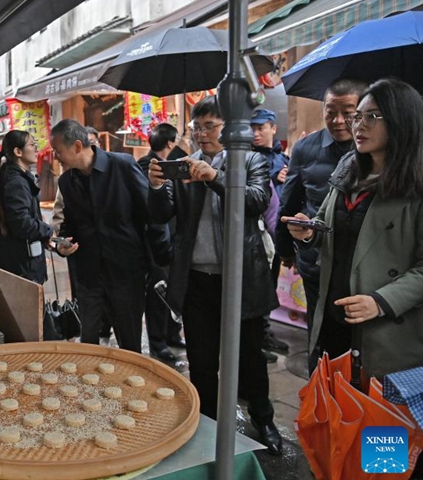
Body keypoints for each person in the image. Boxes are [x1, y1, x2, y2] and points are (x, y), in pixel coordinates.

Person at [147, 96, 282, 455]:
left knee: (250, 358)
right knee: (202, 361)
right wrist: (158, 185)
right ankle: (205, 422)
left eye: (211, 126)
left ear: (231, 128)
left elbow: (255, 201)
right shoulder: (184, 166)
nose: (202, 134)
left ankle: (264, 419)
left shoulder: (251, 160)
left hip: (241, 281)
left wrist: (216, 177)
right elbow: (161, 215)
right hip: (196, 281)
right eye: (197, 127)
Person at [282, 78, 423, 381]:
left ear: (401, 120)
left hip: (385, 326)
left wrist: (381, 302)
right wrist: (309, 232)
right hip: (334, 314)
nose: (357, 124)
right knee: (334, 409)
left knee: (378, 423)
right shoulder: (349, 168)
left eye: (370, 116)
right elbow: (325, 223)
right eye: (358, 116)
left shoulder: (416, 183)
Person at [275, 78, 365, 373]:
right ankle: (320, 388)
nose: (339, 121)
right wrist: (287, 250)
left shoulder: (376, 150)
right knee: (320, 327)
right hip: (317, 259)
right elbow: (289, 202)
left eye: (348, 112)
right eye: (331, 111)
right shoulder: (306, 148)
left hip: (363, 265)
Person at [51, 120, 151, 353]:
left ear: (77, 146)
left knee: (129, 343)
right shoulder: (67, 181)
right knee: (88, 341)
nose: (56, 157)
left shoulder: (122, 166)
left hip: (126, 272)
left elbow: (149, 214)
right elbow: (70, 223)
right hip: (88, 275)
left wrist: (154, 264)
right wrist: (63, 244)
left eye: (58, 151)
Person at [136, 123, 182, 362]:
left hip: (171, 239)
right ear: (171, 143)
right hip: (155, 243)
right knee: (158, 293)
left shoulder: (172, 167)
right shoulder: (148, 167)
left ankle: (172, 334)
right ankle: (158, 343)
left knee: (172, 289)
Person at [250, 109, 291, 361]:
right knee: (257, 288)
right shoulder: (250, 158)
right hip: (258, 235)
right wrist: (274, 180)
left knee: (270, 285)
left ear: (273, 128)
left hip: (278, 232)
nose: (255, 133)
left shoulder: (284, 158)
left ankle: (264, 332)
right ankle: (257, 339)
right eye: (252, 128)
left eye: (260, 128)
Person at [0, 130, 53, 283]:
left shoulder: (15, 177)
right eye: (31, 145)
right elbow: (21, 223)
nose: (36, 149)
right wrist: (48, 231)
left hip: (20, 262)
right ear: (18, 151)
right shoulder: (16, 181)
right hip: (22, 264)